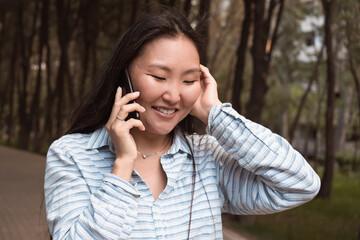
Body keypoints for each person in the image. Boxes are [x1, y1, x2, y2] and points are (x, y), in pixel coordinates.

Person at [44, 7, 320, 240]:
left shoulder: (208, 158)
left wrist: (215, 114)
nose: (174, 95)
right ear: (124, 76)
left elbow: (300, 184)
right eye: (159, 77)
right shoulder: (71, 156)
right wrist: (123, 164)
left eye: (188, 81)